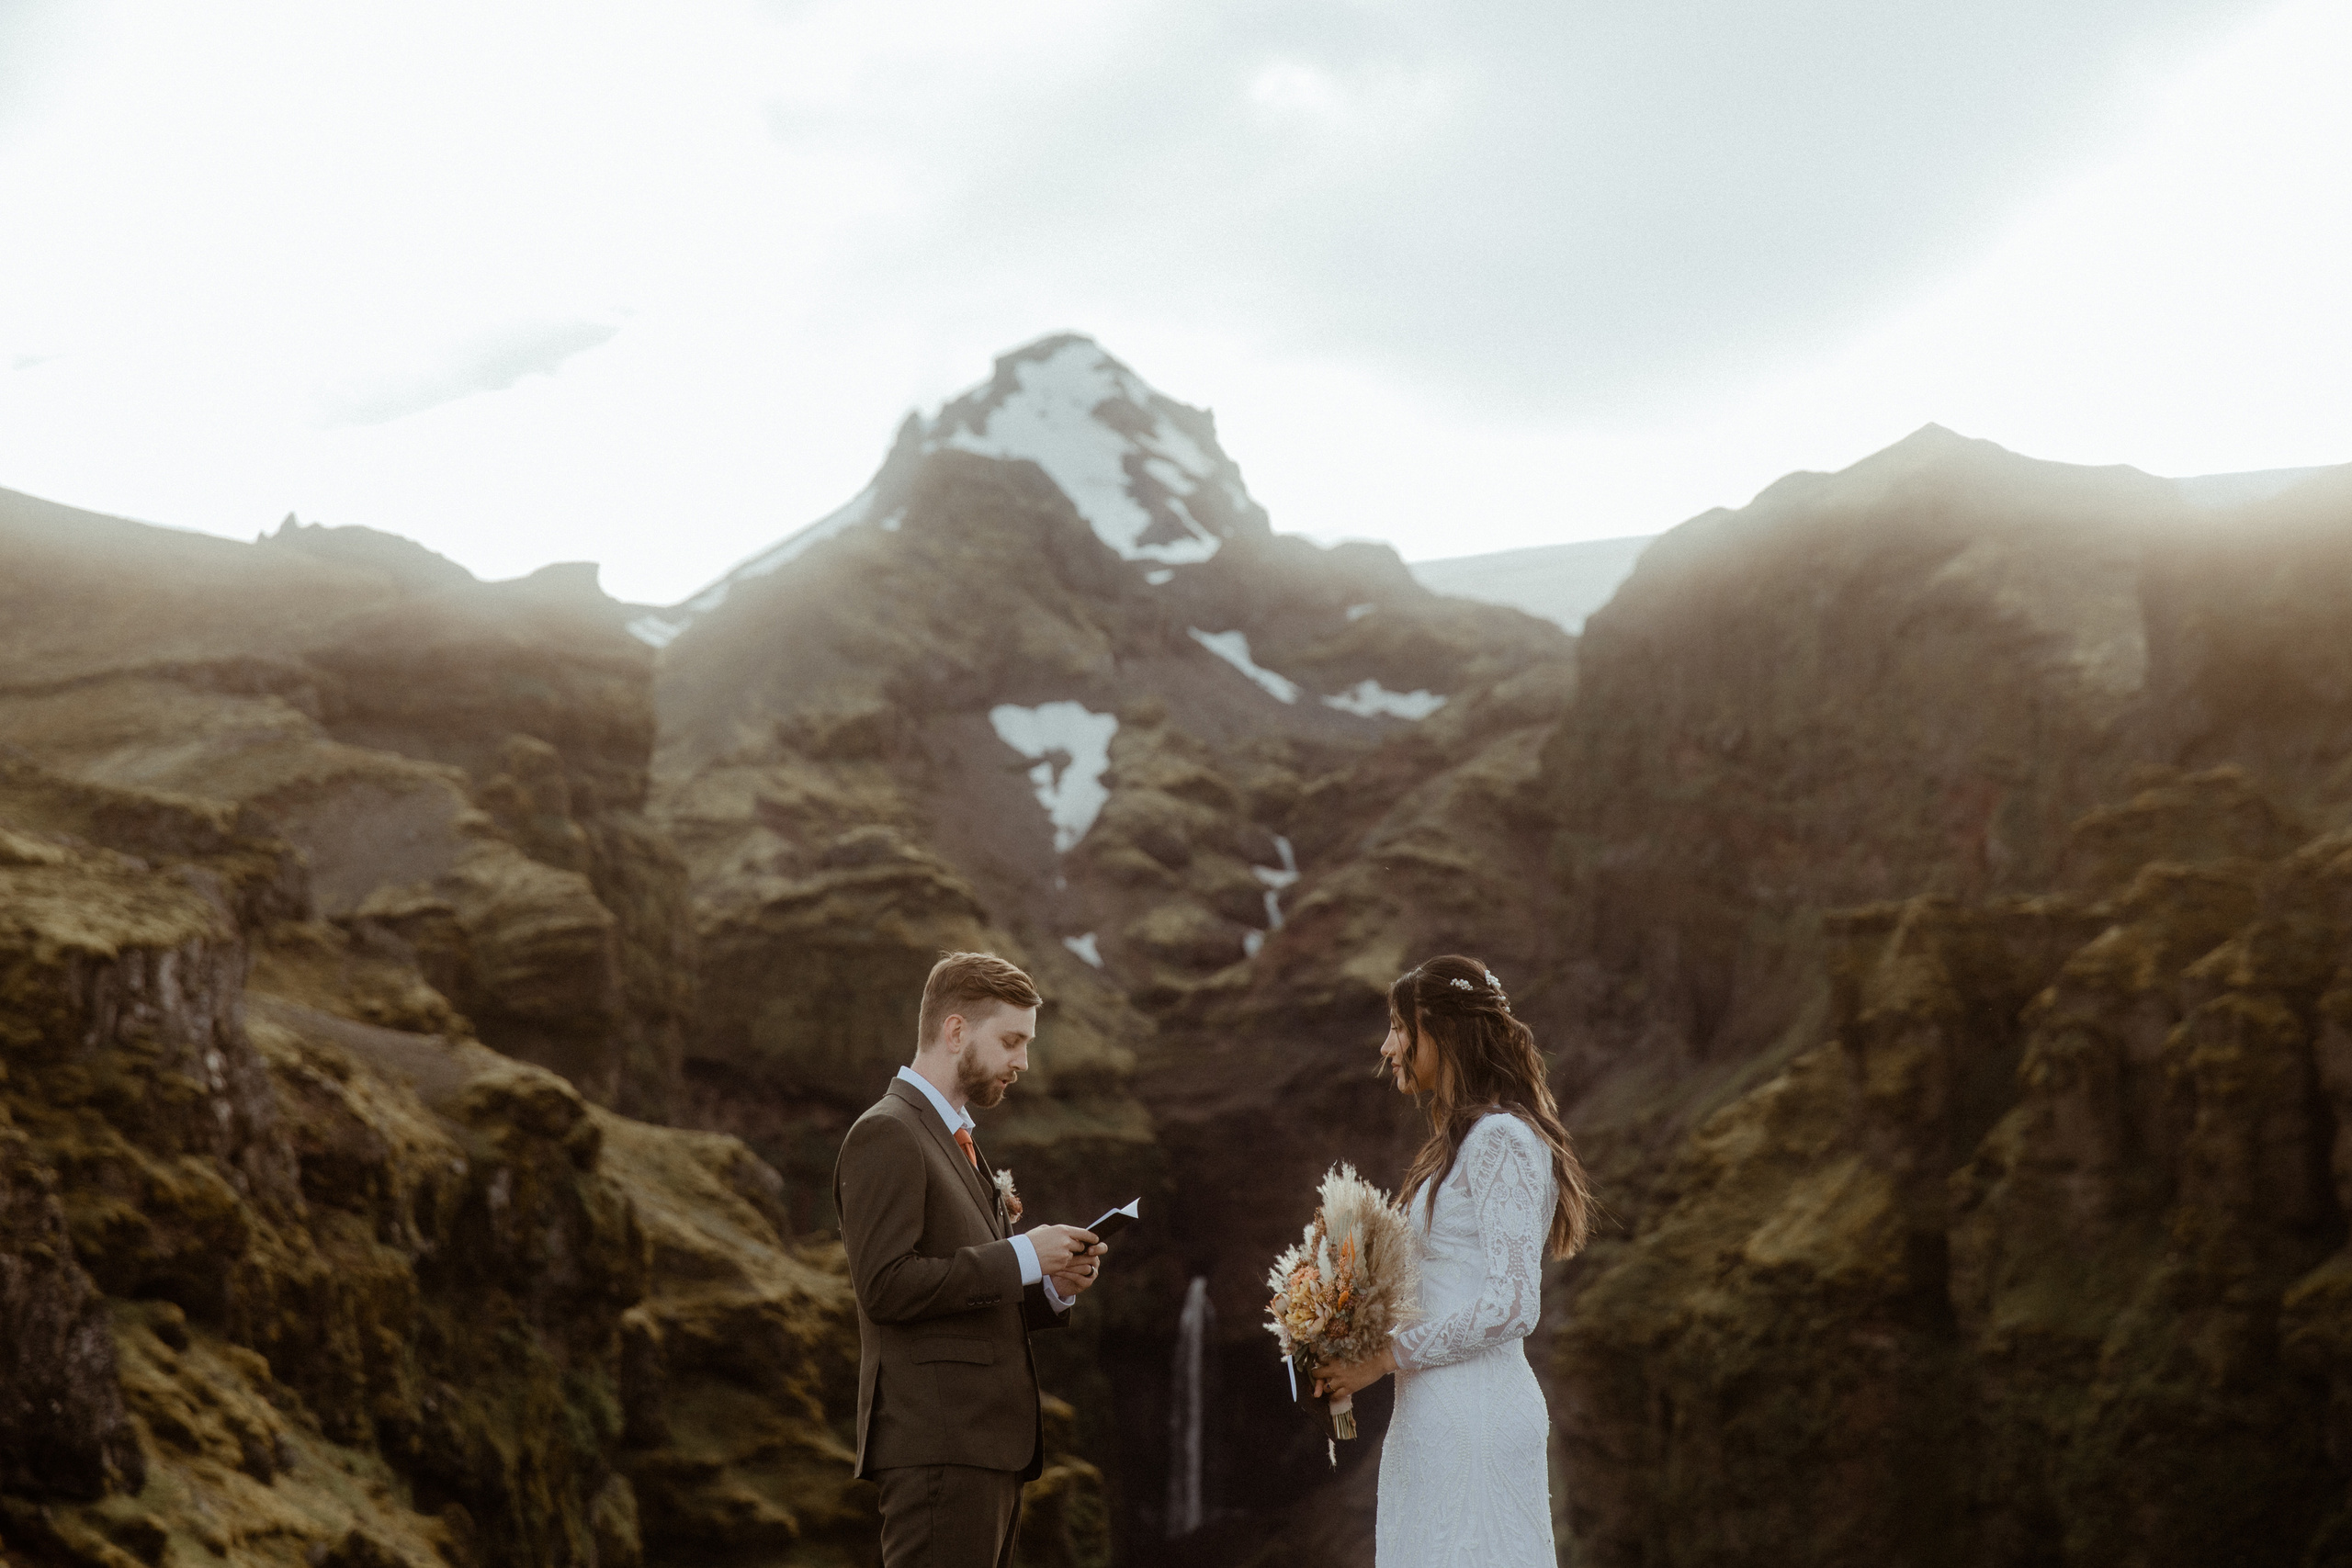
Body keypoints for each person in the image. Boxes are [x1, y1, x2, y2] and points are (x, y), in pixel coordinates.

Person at [1311, 954, 1594, 1568]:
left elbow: (1513, 1303)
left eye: (1399, 1027)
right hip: (1434, 1411)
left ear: (1442, 1031)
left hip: (1475, 1415)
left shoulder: (1502, 1140)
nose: (1387, 1046)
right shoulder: (1459, 1147)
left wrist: (1385, 1357)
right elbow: (1445, 1286)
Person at [833, 952, 1109, 1568]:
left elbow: (966, 1297)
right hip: (939, 1446)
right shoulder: (888, 1132)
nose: (1022, 1062)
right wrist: (1021, 1254)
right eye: (1012, 1040)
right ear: (955, 1030)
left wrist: (1051, 1283)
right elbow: (885, 1285)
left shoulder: (956, 1137)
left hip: (982, 1450)